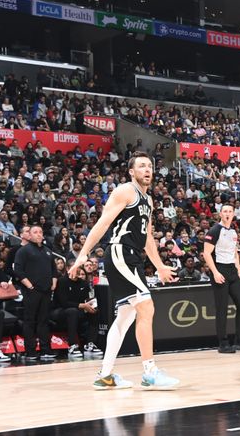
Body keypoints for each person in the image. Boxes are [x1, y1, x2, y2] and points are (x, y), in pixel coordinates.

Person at [69, 153, 179, 390]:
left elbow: (148, 236)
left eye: (150, 165)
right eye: (141, 166)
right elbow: (103, 223)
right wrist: (83, 254)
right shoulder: (125, 191)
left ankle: (105, 375)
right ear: (131, 171)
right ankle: (150, 372)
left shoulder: (147, 200)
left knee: (126, 316)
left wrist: (159, 265)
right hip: (119, 253)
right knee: (146, 307)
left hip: (133, 257)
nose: (147, 169)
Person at [202, 204, 240, 354]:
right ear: (220, 213)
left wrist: (239, 272)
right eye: (225, 211)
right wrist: (215, 272)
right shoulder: (214, 230)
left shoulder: (233, 231)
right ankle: (223, 343)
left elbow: (234, 253)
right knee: (222, 309)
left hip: (232, 270)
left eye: (230, 211)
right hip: (220, 270)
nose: (227, 214)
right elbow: (206, 254)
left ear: (233, 214)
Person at [13, 226, 57, 361]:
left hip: (46, 291)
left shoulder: (48, 251)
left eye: (40, 232)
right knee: (30, 321)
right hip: (32, 291)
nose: (38, 234)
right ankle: (30, 351)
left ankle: (45, 349)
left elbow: (54, 270)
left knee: (43, 320)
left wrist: (53, 283)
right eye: (35, 232)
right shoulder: (23, 251)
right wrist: (29, 286)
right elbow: (18, 270)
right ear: (29, 235)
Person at [52, 260, 101, 358]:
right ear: (68, 269)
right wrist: (83, 306)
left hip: (78, 309)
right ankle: (73, 346)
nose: (78, 270)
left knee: (95, 312)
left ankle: (90, 344)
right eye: (75, 268)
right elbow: (64, 303)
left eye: (79, 268)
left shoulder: (83, 283)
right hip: (59, 310)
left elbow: (86, 300)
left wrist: (91, 306)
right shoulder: (62, 281)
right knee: (72, 312)